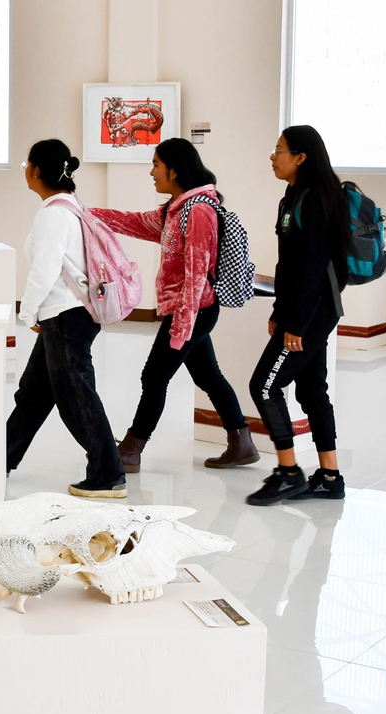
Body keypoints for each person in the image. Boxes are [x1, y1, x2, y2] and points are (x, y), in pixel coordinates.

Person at [90, 138, 258, 473]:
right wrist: (85, 214)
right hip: (187, 311)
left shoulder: (198, 212)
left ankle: (131, 449)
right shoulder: (176, 209)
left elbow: (196, 274)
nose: (151, 172)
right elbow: (136, 222)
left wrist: (181, 329)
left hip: (192, 311)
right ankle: (242, 443)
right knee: (209, 376)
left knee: (153, 376)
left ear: (175, 170)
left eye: (156, 165)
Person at [6, 140, 126, 497]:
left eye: (26, 165)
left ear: (36, 170)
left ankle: (108, 473)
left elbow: (45, 269)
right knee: (33, 394)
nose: (25, 170)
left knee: (76, 396)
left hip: (66, 316)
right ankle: (0, 459)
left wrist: (26, 311)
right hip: (67, 315)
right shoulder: (71, 205)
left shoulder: (53, 214)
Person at [246, 125, 349, 505]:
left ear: (301, 157)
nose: (273, 157)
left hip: (313, 312)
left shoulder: (318, 198)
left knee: (264, 386)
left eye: (280, 150)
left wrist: (297, 324)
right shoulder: (292, 197)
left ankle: (289, 472)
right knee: (310, 389)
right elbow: (287, 265)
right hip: (304, 310)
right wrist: (279, 310)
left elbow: (313, 270)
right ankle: (330, 477)